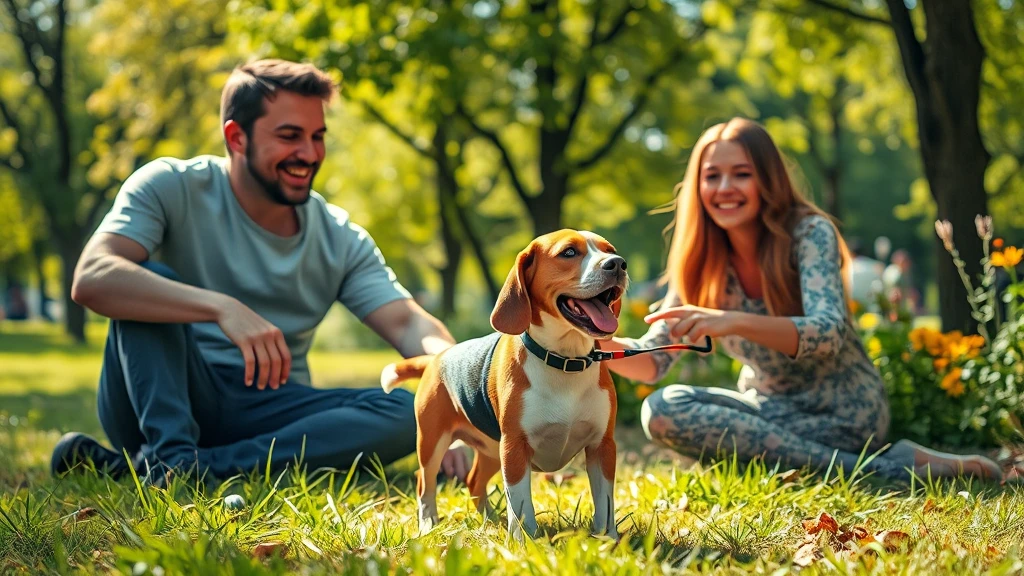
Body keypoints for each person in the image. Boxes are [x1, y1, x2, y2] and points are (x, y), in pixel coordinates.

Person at [53, 59, 471, 484]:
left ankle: (177, 469)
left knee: (405, 411)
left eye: (317, 137)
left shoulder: (339, 236)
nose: (309, 154)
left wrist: (456, 404)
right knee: (143, 276)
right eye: (289, 136)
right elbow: (93, 276)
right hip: (161, 398)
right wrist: (219, 308)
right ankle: (172, 453)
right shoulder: (168, 185)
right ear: (237, 137)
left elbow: (408, 322)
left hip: (271, 409)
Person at [599, 118, 1002, 482]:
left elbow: (827, 333)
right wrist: (587, 337)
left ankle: (880, 470)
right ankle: (884, 464)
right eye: (712, 176)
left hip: (843, 412)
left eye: (741, 174)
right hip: (767, 411)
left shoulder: (809, 234)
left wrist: (730, 319)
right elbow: (653, 361)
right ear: (698, 186)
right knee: (663, 409)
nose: (724, 188)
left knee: (723, 429)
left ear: (767, 179)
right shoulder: (700, 259)